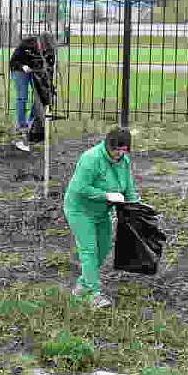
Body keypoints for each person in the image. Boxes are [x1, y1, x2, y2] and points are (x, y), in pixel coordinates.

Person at [63, 127, 141, 308]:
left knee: (103, 248)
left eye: (123, 150)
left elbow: (129, 188)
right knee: (89, 251)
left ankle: (83, 285)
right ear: (108, 145)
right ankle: (94, 295)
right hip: (80, 210)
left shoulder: (124, 161)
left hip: (101, 212)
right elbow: (80, 188)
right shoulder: (91, 159)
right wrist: (106, 195)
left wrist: (136, 208)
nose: (119, 154)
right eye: (116, 150)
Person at [8, 33, 57, 152]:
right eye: (44, 48)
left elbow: (49, 71)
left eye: (47, 49)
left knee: (41, 97)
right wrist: (23, 66)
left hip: (36, 71)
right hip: (20, 70)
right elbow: (13, 61)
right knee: (22, 97)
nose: (45, 50)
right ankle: (22, 125)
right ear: (40, 42)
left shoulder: (50, 52)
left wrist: (50, 87)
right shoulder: (26, 44)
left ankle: (31, 122)